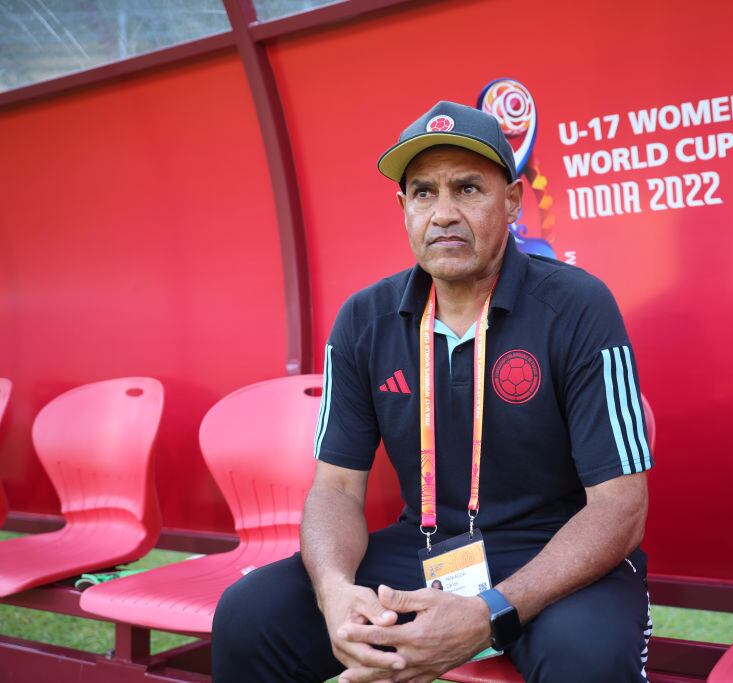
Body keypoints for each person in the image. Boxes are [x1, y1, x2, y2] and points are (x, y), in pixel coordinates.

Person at [212, 101, 654, 683]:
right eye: (423, 193)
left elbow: (621, 507)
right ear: (404, 208)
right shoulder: (364, 319)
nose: (444, 213)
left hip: (554, 553)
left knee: (588, 660)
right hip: (426, 547)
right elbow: (336, 489)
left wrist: (490, 612)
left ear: (512, 201)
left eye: (468, 189)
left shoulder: (578, 306)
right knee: (250, 617)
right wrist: (335, 590)